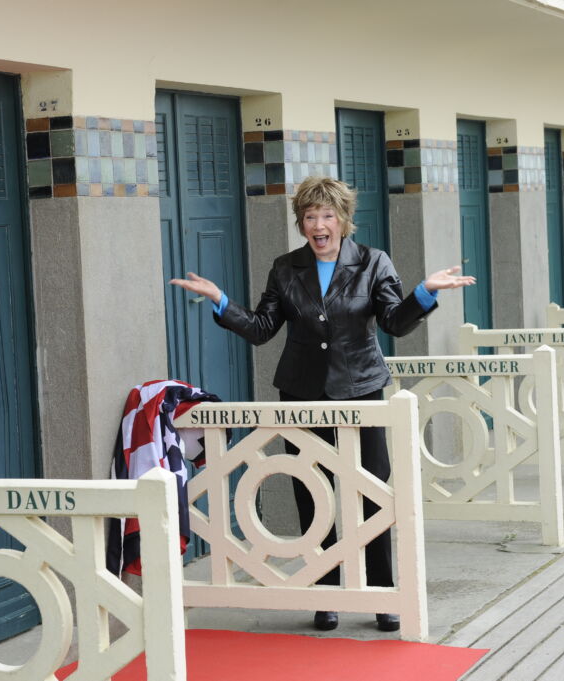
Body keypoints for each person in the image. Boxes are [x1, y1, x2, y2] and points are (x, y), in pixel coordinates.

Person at [169, 176, 474, 632]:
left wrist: (424, 292)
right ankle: (324, 591)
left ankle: (381, 595)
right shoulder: (286, 267)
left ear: (343, 220)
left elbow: (394, 322)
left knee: (372, 490)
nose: (318, 224)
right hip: (301, 394)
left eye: (327, 215)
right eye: (310, 217)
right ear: (301, 223)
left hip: (362, 391)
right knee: (312, 491)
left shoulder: (373, 262)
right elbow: (260, 328)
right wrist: (221, 301)